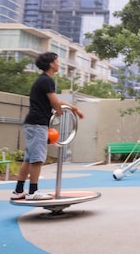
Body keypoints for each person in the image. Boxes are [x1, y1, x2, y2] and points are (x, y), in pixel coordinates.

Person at [10, 52, 84, 200]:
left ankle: (19, 190)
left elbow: (56, 99)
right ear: (51, 64)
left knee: (29, 159)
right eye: (57, 61)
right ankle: (33, 192)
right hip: (38, 123)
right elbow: (54, 102)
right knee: (37, 159)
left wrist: (73, 108)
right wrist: (59, 111)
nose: (59, 64)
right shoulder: (46, 80)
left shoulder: (43, 80)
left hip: (33, 123)